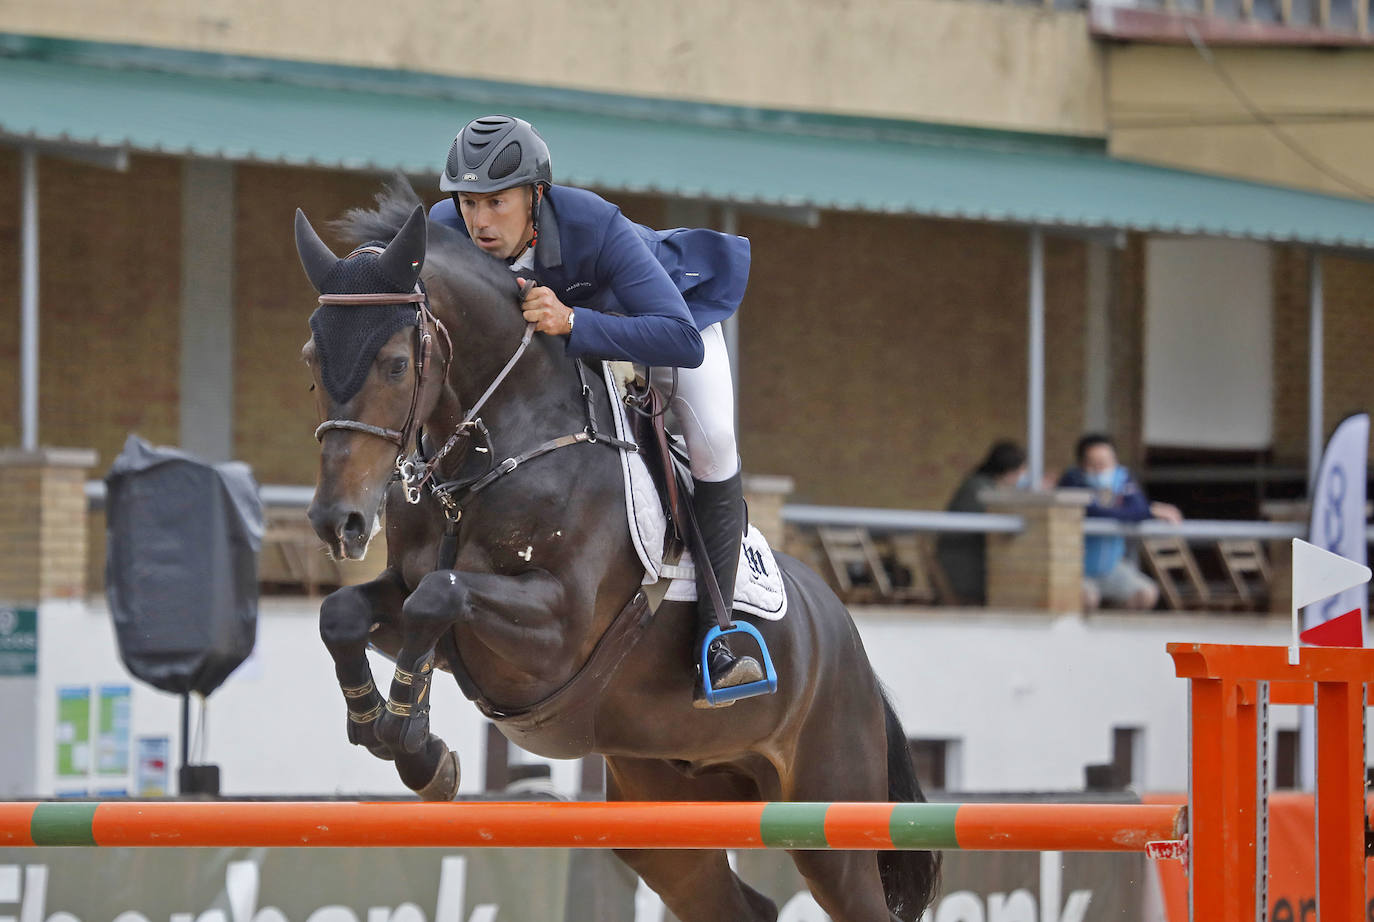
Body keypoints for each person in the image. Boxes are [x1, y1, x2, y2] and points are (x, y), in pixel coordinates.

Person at [429, 115, 764, 707]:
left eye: (495, 203)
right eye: (467, 202)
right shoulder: (444, 230)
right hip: (561, 354)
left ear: (535, 195)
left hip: (664, 321)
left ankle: (722, 635)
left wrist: (574, 321)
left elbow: (678, 338)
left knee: (713, 444)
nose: (478, 222)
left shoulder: (592, 223)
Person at [1057, 433, 1182, 611]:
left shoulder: (1121, 477)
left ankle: (1113, 633)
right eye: (1095, 464)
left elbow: (1137, 509)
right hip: (1075, 567)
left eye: (1106, 463)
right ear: (1082, 465)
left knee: (1146, 593)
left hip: (1110, 566)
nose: (1102, 469)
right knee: (1086, 598)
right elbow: (1095, 511)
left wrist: (1145, 511)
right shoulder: (1072, 481)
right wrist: (1151, 511)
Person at [935, 440, 1027, 605]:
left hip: (966, 563)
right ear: (1008, 470)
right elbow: (994, 520)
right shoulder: (979, 489)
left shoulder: (984, 485)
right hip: (963, 568)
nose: (1022, 476)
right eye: (1021, 470)